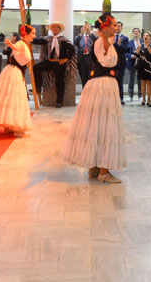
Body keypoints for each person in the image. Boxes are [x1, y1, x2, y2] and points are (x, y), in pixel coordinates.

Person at [61, 14, 126, 183]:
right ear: (105, 27)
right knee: (104, 126)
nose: (116, 27)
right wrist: (105, 39)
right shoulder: (100, 42)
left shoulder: (105, 42)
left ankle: (96, 168)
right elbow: (105, 62)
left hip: (103, 85)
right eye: (113, 25)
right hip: (102, 86)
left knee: (98, 125)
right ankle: (103, 171)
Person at [0, 24, 34, 136]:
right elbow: (16, 47)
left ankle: (9, 126)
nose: (34, 36)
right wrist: (10, 44)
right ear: (26, 34)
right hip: (13, 72)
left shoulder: (23, 44)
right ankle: (15, 127)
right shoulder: (21, 43)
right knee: (13, 98)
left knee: (10, 98)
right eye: (32, 33)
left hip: (13, 71)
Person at [32, 22, 75, 108]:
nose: (55, 29)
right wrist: (27, 36)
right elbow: (36, 41)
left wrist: (66, 59)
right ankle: (38, 87)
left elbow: (72, 49)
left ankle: (59, 101)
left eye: (57, 28)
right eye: (53, 28)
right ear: (51, 30)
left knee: (59, 82)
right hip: (50, 61)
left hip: (59, 63)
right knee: (36, 68)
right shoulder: (48, 39)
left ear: (59, 30)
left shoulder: (64, 40)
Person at [135, 31, 151, 106]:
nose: (145, 37)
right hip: (141, 66)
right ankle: (143, 99)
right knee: (142, 82)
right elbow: (137, 54)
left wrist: (147, 46)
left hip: (149, 66)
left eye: (147, 35)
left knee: (148, 82)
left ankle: (149, 99)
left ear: (150, 37)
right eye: (144, 36)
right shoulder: (141, 45)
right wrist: (139, 48)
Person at [74, 23, 96, 87]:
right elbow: (75, 43)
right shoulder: (79, 37)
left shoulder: (92, 37)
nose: (86, 29)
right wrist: (81, 33)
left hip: (90, 59)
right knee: (83, 77)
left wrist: (90, 33)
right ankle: (84, 92)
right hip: (82, 59)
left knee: (91, 77)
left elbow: (97, 41)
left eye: (88, 28)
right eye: (85, 27)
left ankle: (90, 92)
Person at [112, 21, 129, 101]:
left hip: (121, 62)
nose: (117, 27)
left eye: (119, 26)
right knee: (111, 80)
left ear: (122, 28)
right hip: (111, 62)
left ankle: (120, 98)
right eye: (116, 26)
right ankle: (112, 98)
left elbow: (126, 49)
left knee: (120, 81)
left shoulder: (125, 38)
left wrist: (120, 45)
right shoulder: (110, 37)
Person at [126, 27, 143, 100]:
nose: (136, 32)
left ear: (139, 33)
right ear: (132, 33)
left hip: (141, 64)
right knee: (131, 80)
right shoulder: (129, 42)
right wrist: (130, 56)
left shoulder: (143, 41)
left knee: (140, 80)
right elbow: (125, 53)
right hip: (131, 63)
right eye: (134, 31)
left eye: (137, 31)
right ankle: (130, 95)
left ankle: (140, 95)